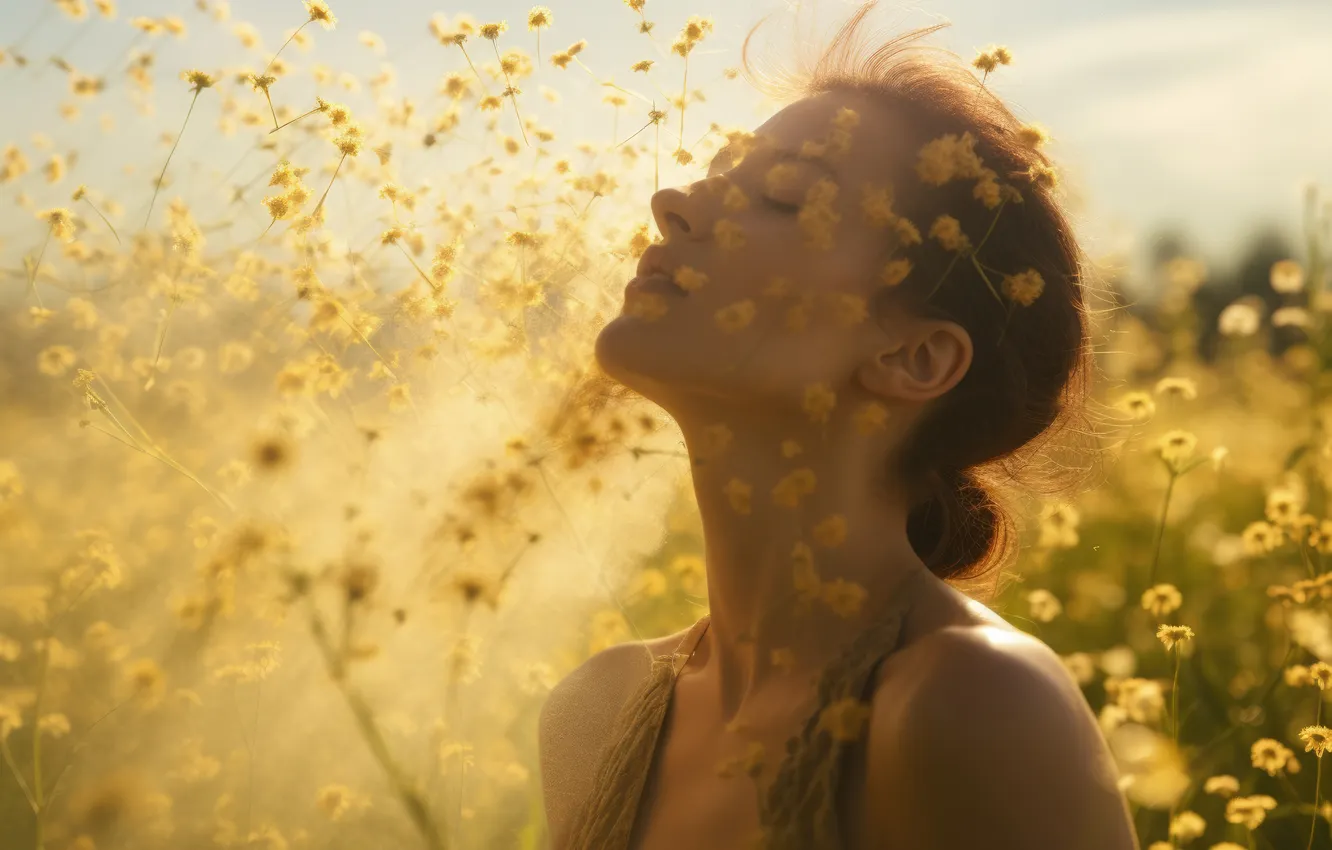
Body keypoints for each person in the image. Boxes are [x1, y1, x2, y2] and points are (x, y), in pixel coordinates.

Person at [539, 4, 1140, 849]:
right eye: (714, 173)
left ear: (916, 357)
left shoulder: (973, 704)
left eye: (784, 197)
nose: (672, 203)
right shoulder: (596, 714)